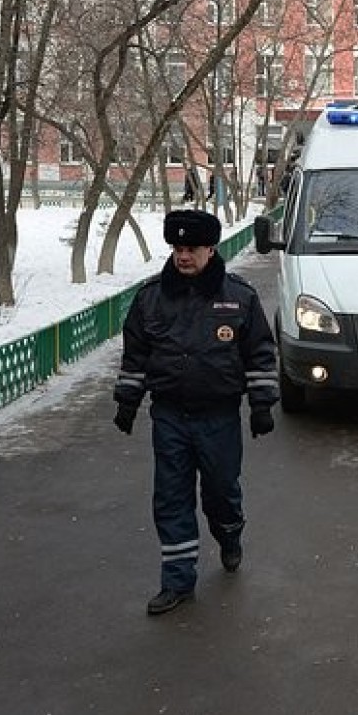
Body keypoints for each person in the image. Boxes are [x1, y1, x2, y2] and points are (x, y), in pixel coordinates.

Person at [113, 209, 280, 616]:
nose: (183, 256)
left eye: (191, 249)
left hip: (218, 417)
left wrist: (261, 404)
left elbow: (259, 351)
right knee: (171, 497)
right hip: (169, 416)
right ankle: (178, 580)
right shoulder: (152, 297)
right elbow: (136, 354)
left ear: (211, 248)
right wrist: (128, 401)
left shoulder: (238, 296)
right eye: (177, 249)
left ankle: (229, 534)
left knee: (221, 493)